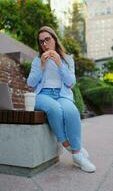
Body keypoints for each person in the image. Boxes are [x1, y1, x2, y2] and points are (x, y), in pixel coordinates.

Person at [27, 26, 96, 173]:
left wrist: (59, 63)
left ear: (54, 39)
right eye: (41, 42)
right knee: (54, 109)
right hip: (42, 95)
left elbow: (70, 83)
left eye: (47, 39)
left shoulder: (67, 59)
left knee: (71, 111)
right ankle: (68, 145)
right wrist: (42, 66)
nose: (45, 44)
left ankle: (77, 156)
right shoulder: (37, 60)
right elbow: (31, 84)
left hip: (62, 95)